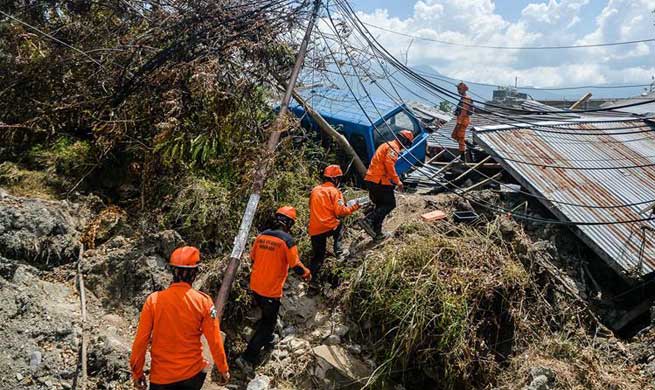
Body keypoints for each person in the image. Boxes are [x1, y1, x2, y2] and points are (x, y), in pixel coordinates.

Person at [130, 246, 230, 390]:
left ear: (173, 271)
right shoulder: (203, 302)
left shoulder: (153, 301)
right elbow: (214, 339)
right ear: (195, 273)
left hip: (161, 378)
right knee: (203, 367)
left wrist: (137, 373)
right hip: (192, 376)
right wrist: (223, 368)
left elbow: (140, 342)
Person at [237, 206, 311, 370]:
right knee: (268, 323)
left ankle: (269, 340)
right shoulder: (287, 241)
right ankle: (247, 357)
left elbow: (252, 257)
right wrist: (307, 273)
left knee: (267, 315)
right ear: (290, 223)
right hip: (270, 290)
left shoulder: (261, 236)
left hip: (255, 286)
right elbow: (296, 266)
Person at [359, 130, 414, 241]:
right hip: (379, 180)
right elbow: (389, 164)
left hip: (372, 179)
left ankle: (377, 233)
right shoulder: (394, 147)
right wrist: (397, 181)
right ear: (403, 140)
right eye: (406, 143)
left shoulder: (386, 145)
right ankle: (368, 220)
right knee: (390, 204)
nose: (405, 146)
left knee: (381, 207)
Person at [308, 164, 361, 278]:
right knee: (340, 225)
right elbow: (341, 212)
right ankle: (339, 252)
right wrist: (354, 207)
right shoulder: (335, 192)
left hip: (314, 230)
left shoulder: (315, 190)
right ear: (335, 179)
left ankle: (312, 282)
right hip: (329, 226)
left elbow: (312, 206)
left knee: (318, 257)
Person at [451, 82, 474, 161]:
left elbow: (463, 112)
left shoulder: (466, 99)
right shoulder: (463, 98)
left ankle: (463, 157)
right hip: (461, 120)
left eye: (459, 89)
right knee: (454, 135)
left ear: (463, 90)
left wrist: (459, 123)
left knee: (460, 138)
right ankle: (468, 143)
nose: (458, 91)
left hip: (463, 121)